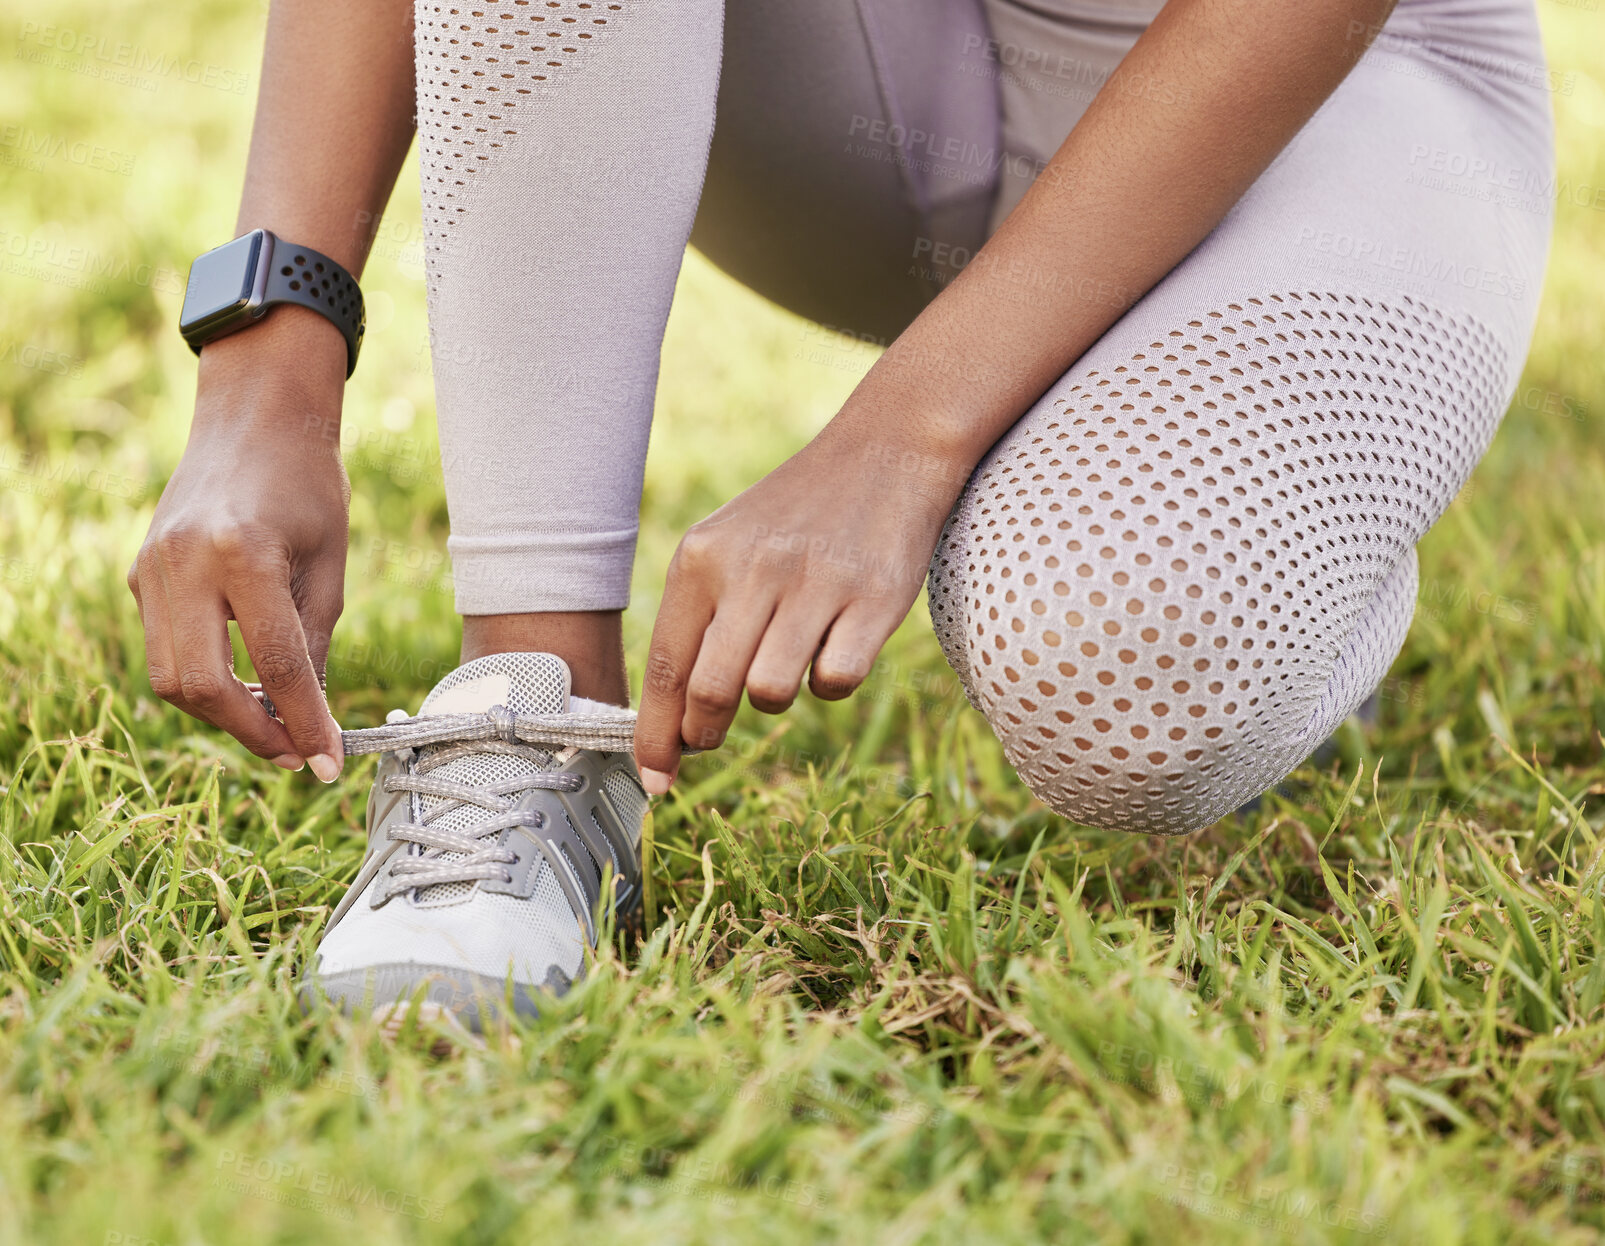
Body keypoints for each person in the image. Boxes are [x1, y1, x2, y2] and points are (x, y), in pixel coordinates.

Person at [129, 0, 1553, 1029]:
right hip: (869, 75)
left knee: (1126, 673)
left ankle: (1297, 535)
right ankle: (538, 734)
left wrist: (904, 435)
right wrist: (268, 363)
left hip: (1321, 97)